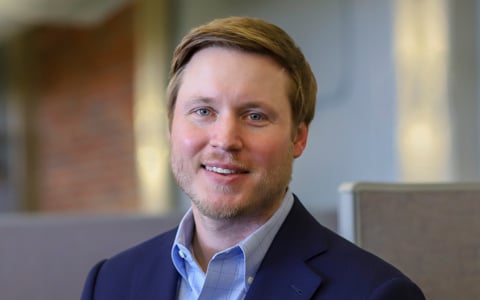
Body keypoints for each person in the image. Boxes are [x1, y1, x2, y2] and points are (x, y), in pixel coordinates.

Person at [81, 16, 425, 300]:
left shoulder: (375, 294)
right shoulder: (111, 283)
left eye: (255, 116)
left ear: (299, 137)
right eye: (203, 110)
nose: (226, 140)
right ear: (171, 126)